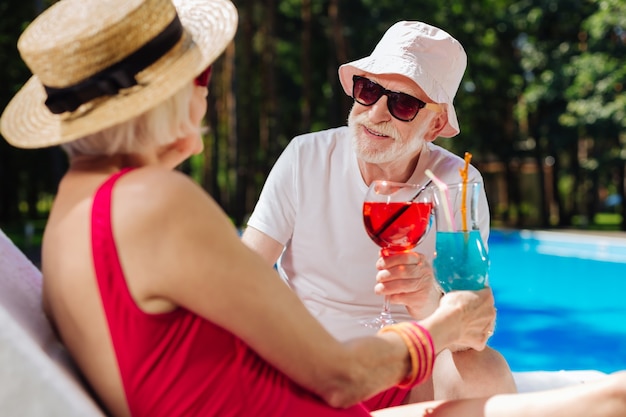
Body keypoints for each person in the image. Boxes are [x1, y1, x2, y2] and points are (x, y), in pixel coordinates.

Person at [3, 2, 626, 417]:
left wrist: (432, 307)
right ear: (168, 96)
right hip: (319, 396)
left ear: (437, 122)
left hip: (308, 388)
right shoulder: (155, 201)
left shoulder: (76, 211)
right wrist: (440, 327)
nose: (208, 87)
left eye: (402, 103)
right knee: (607, 399)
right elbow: (341, 378)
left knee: (501, 383)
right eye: (200, 76)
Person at [242, 20, 516, 404]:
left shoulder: (458, 183)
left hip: (409, 366)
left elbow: (474, 329)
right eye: (368, 90)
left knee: (486, 372)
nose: (376, 113)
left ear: (436, 123)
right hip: (308, 358)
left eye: (404, 103)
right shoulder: (306, 157)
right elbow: (245, 273)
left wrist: (425, 300)